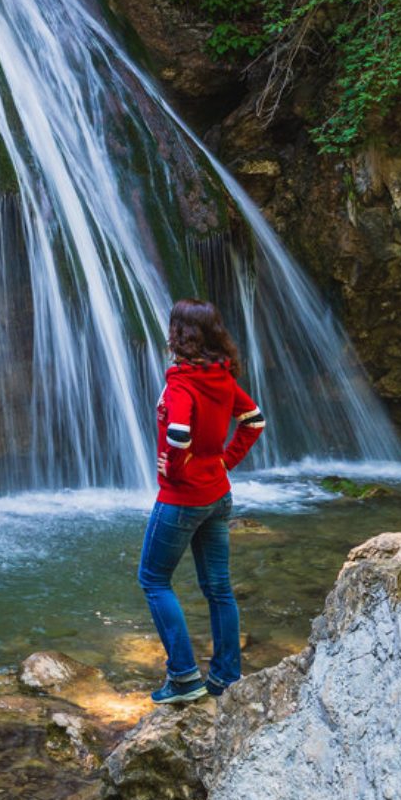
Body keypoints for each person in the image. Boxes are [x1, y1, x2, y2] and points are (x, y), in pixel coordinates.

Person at [139, 298, 265, 704]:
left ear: (180, 333)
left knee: (153, 579)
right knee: (219, 588)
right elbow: (255, 420)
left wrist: (176, 471)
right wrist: (224, 460)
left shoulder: (182, 381)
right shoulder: (221, 376)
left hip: (183, 497)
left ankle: (183, 678)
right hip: (218, 494)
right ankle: (226, 677)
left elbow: (178, 433)